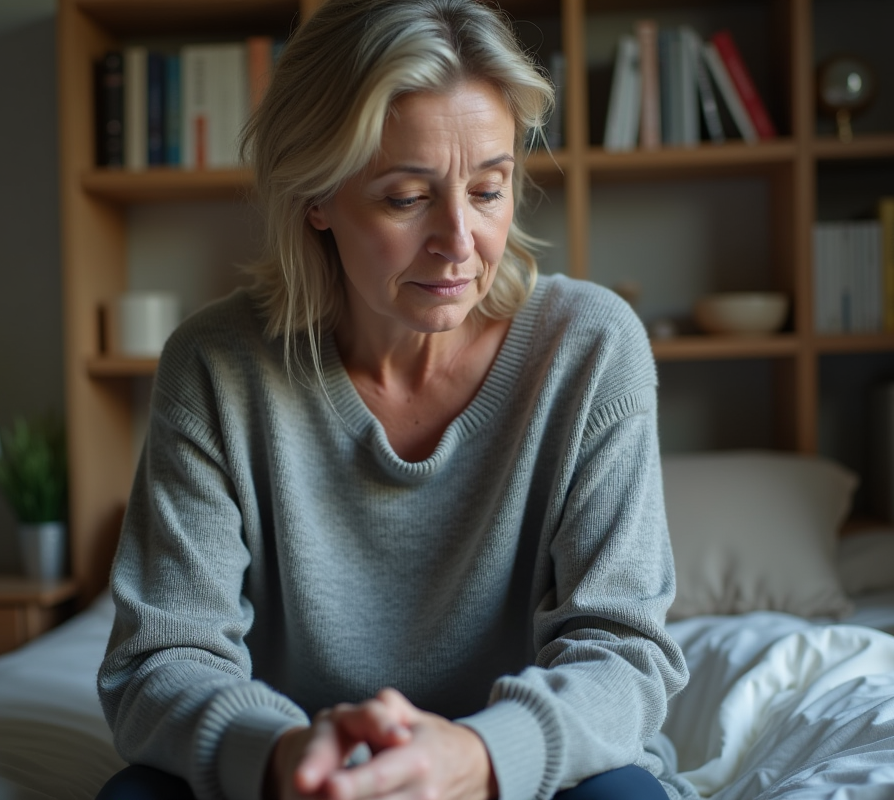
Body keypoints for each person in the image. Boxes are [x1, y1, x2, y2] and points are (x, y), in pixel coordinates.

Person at [95, 1, 693, 799]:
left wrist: (477, 759)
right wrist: (286, 755)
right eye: (407, 198)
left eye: (489, 188)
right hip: (304, 774)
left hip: (522, 770)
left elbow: (624, 652)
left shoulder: (589, 348)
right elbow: (160, 659)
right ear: (316, 197)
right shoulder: (216, 366)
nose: (460, 240)